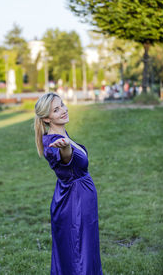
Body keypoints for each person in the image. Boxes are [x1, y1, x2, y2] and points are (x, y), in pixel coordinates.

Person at [34, 92, 103, 275]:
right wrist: (66, 148)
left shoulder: (63, 135)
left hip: (82, 201)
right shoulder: (52, 143)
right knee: (77, 256)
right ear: (47, 118)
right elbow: (66, 159)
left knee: (86, 251)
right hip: (74, 205)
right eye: (56, 110)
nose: (63, 110)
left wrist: (67, 144)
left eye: (62, 105)